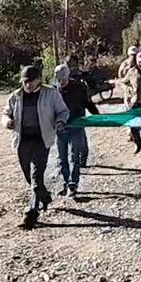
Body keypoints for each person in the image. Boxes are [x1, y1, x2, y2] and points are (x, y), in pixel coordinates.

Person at [2, 66, 70, 230]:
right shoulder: (16, 96)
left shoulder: (51, 94)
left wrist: (60, 122)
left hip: (41, 139)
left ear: (38, 79)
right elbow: (6, 113)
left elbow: (63, 111)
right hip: (22, 140)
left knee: (36, 176)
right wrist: (7, 122)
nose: (28, 85)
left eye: (31, 81)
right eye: (25, 82)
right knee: (29, 176)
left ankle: (31, 213)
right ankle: (44, 196)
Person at [53, 65, 100, 197]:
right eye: (58, 79)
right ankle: (65, 183)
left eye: (63, 78)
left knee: (75, 156)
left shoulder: (79, 88)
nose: (61, 81)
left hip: (76, 126)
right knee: (62, 158)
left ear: (68, 76)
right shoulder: (53, 91)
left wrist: (98, 116)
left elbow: (88, 103)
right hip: (61, 128)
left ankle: (73, 184)